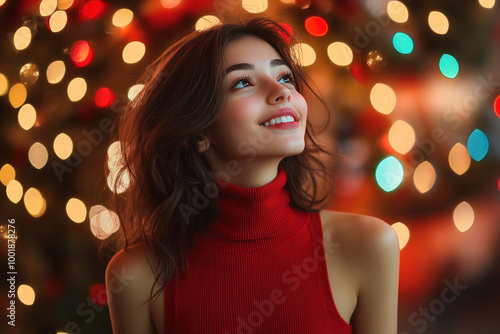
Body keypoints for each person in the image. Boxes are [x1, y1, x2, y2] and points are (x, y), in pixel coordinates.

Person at [104, 17, 399, 334]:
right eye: (242, 82)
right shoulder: (135, 276)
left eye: (285, 77)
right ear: (197, 132)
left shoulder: (369, 244)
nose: (281, 92)